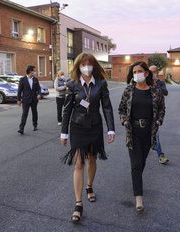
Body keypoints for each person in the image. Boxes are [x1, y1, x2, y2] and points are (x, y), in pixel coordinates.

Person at [60, 52, 115, 222]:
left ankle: (89, 186)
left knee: (92, 159)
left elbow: (107, 107)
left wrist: (111, 129)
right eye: (83, 64)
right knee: (78, 164)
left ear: (93, 65)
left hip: (95, 127)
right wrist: (64, 132)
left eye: (89, 63)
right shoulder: (72, 85)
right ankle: (78, 204)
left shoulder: (101, 84)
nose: (86, 66)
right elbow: (67, 109)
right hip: (77, 127)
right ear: (78, 67)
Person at [118, 61, 165, 212]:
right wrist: (124, 120)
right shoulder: (129, 91)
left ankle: (136, 179)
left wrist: (159, 120)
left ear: (146, 73)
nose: (136, 74)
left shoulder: (156, 91)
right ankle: (139, 199)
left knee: (142, 161)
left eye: (139, 71)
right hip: (133, 132)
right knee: (136, 164)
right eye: (134, 72)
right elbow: (121, 109)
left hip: (149, 132)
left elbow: (162, 109)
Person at [149, 65, 169, 164]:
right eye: (150, 72)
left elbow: (165, 92)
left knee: (156, 135)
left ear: (157, 72)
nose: (152, 73)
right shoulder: (146, 82)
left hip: (156, 113)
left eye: (154, 72)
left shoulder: (161, 83)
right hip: (146, 113)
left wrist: (156, 84)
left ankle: (160, 155)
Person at [17, 65, 41, 134]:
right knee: (24, 113)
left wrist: (39, 94)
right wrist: (19, 99)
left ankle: (35, 125)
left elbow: (38, 88)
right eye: (34, 70)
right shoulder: (23, 79)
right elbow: (19, 90)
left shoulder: (35, 79)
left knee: (34, 112)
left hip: (34, 99)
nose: (35, 72)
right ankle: (21, 128)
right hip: (26, 99)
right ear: (30, 71)